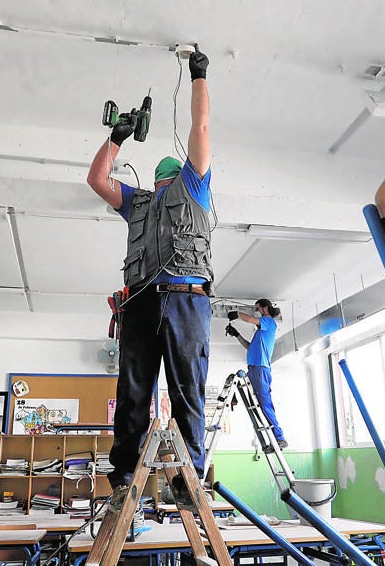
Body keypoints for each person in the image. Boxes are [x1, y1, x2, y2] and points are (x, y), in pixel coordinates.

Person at [87, 48, 214, 505]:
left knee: (184, 390)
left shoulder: (194, 188)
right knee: (135, 390)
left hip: (185, 299)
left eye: (166, 178)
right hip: (141, 300)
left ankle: (186, 479)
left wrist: (198, 76)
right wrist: (116, 137)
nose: (163, 182)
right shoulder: (137, 202)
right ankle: (125, 479)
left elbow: (199, 130)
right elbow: (98, 179)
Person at [227, 299, 287, 449]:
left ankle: (280, 437)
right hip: (254, 369)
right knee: (259, 406)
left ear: (265, 308)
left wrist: (237, 314)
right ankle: (273, 440)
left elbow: (250, 319)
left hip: (261, 369)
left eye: (258, 308)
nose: (258, 312)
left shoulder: (269, 322)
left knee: (265, 405)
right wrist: (236, 334)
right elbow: (249, 347)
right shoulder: (260, 334)